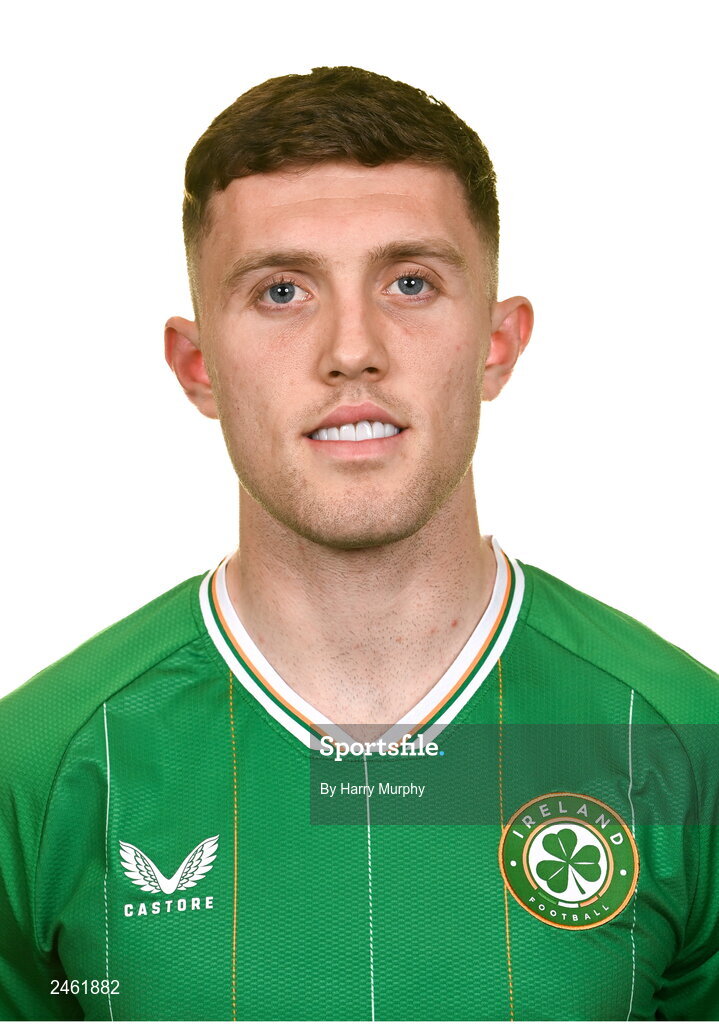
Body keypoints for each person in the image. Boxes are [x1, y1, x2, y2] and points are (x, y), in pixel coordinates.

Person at [0, 65, 717, 1023]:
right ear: (197, 364)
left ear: (496, 343)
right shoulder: (38, 768)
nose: (352, 348)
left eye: (410, 282)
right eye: (283, 290)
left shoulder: (679, 742)